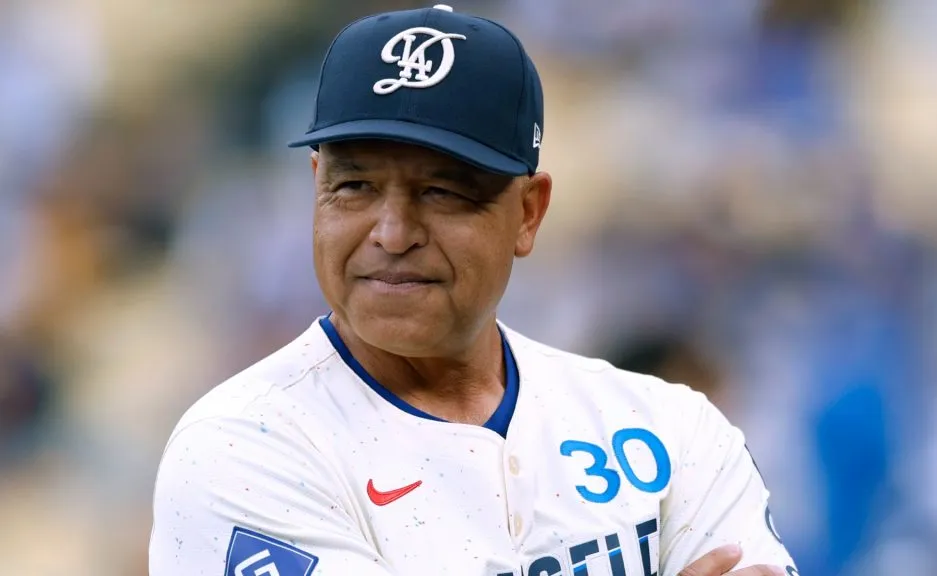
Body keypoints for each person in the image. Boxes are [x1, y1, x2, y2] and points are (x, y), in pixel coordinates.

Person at [148, 5, 798, 576]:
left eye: (443, 191)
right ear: (315, 185)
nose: (393, 232)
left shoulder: (668, 429)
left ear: (528, 213)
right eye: (355, 186)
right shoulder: (241, 447)